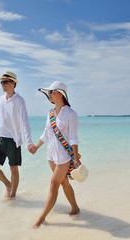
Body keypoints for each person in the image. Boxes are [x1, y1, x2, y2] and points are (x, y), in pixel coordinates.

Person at [33, 81, 81, 228]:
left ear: (59, 94)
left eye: (51, 92)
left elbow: (73, 137)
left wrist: (75, 156)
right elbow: (46, 134)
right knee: (64, 182)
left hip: (64, 156)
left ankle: (41, 219)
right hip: (51, 154)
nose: (48, 95)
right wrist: (36, 147)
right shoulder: (50, 113)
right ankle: (75, 208)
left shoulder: (71, 114)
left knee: (54, 185)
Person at [0, 71, 36, 199]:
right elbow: (2, 119)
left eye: (5, 82)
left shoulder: (19, 100)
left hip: (14, 139)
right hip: (0, 137)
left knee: (14, 169)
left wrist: (28, 142)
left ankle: (13, 196)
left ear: (13, 83)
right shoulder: (1, 99)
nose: (2, 84)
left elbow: (24, 121)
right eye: (1, 82)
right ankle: (8, 184)